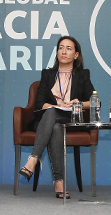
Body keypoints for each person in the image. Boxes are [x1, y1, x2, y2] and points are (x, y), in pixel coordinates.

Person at [18, 36, 95, 199]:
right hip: (50, 118)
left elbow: (96, 102)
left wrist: (78, 103)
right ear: (57, 52)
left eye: (68, 48)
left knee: (54, 118)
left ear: (76, 55)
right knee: (54, 123)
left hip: (72, 118)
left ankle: (33, 159)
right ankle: (59, 181)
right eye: (61, 47)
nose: (64, 51)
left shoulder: (83, 74)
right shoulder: (47, 74)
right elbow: (39, 104)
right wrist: (56, 107)